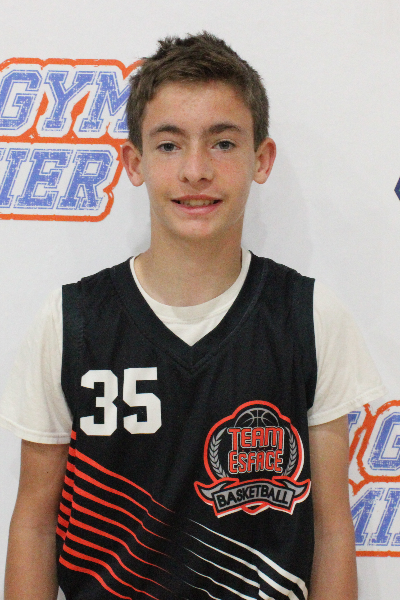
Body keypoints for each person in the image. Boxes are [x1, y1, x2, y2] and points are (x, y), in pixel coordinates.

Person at [0, 32, 385, 600]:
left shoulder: (310, 317)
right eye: (169, 144)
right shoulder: (69, 321)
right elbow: (34, 524)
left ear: (261, 159)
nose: (196, 170)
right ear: (134, 163)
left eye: (223, 143)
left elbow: (330, 530)